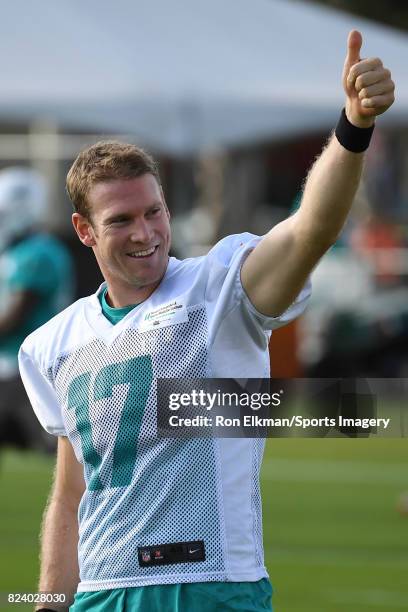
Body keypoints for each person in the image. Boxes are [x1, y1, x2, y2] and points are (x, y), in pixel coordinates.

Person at [18, 31, 394, 612]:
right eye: (121, 220)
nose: (145, 233)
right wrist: (46, 604)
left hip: (212, 585)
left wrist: (352, 129)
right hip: (99, 593)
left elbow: (310, 229)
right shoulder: (54, 343)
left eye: (154, 212)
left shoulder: (218, 286)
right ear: (84, 230)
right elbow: (71, 496)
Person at [0, 167, 73, 453]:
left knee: (53, 450)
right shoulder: (13, 252)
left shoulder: (39, 252)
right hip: (9, 367)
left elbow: (14, 316)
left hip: (31, 367)